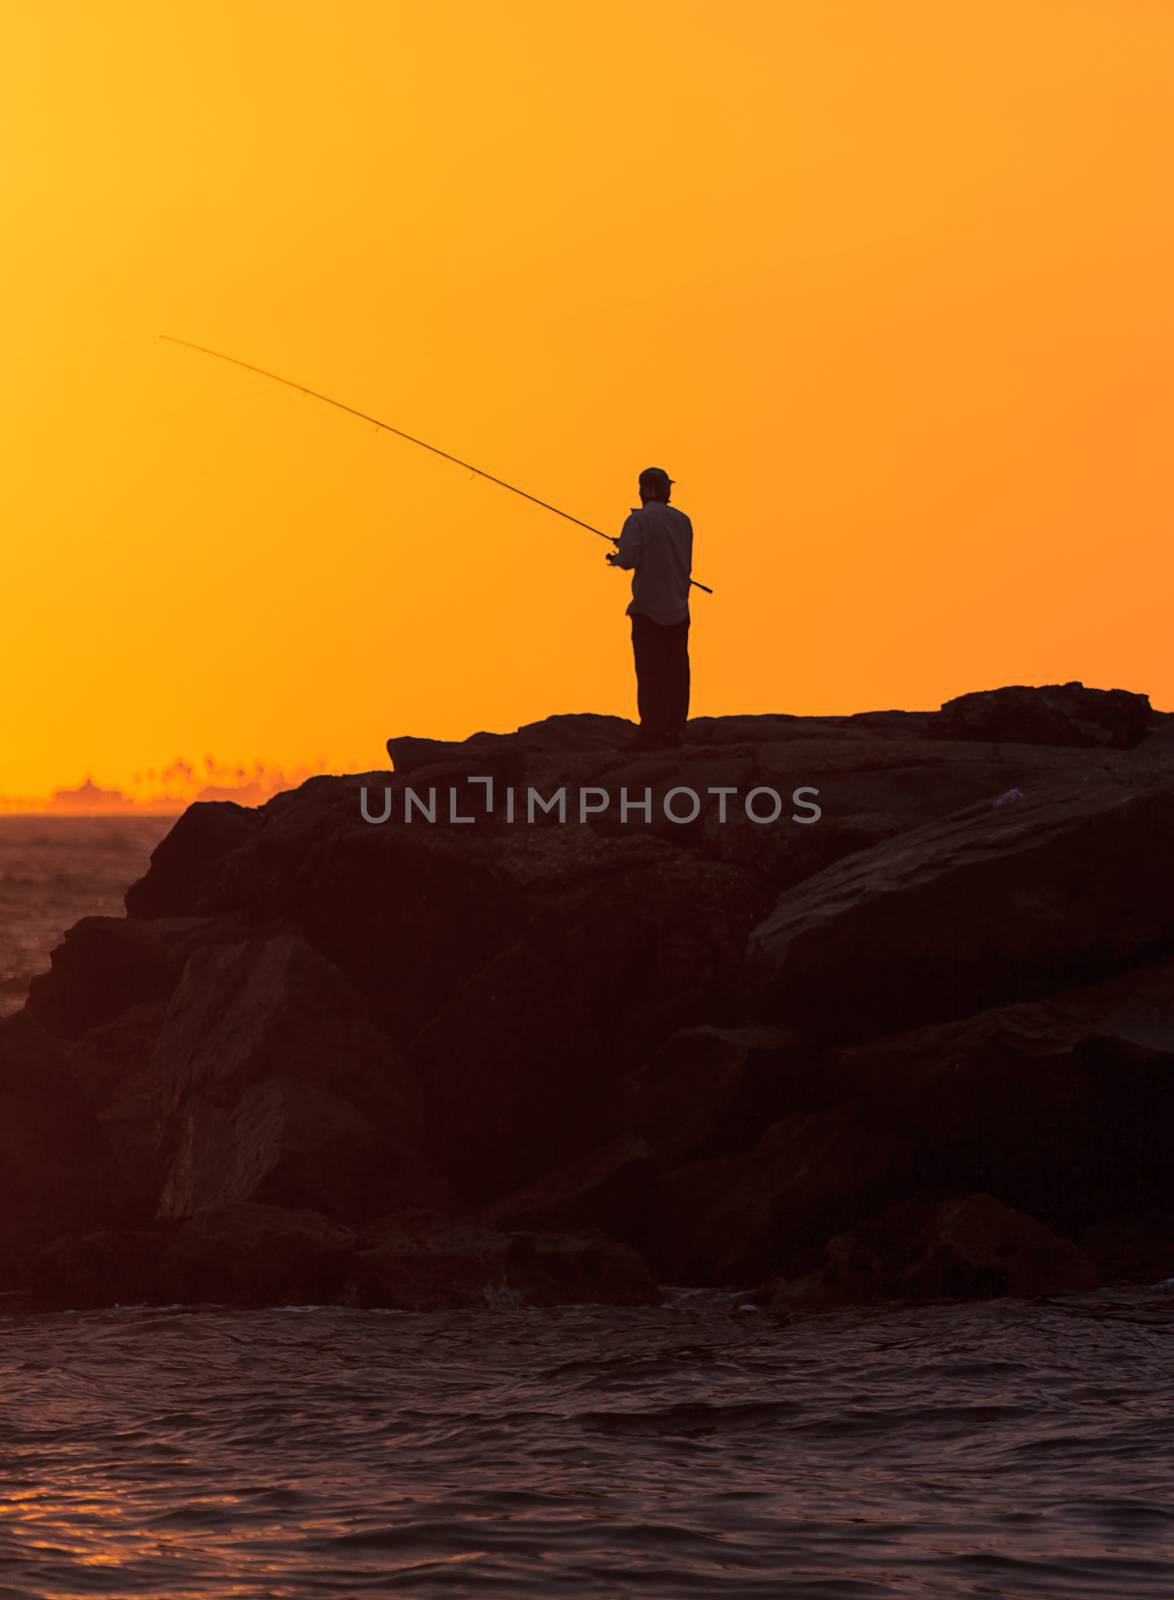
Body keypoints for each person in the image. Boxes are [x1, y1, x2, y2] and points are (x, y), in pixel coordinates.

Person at [606, 466, 694, 748]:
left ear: (646, 489)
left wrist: (617, 557)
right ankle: (676, 728)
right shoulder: (683, 521)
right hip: (679, 606)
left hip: (648, 608)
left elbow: (630, 558)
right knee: (677, 671)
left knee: (650, 671)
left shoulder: (638, 521)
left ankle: (653, 730)